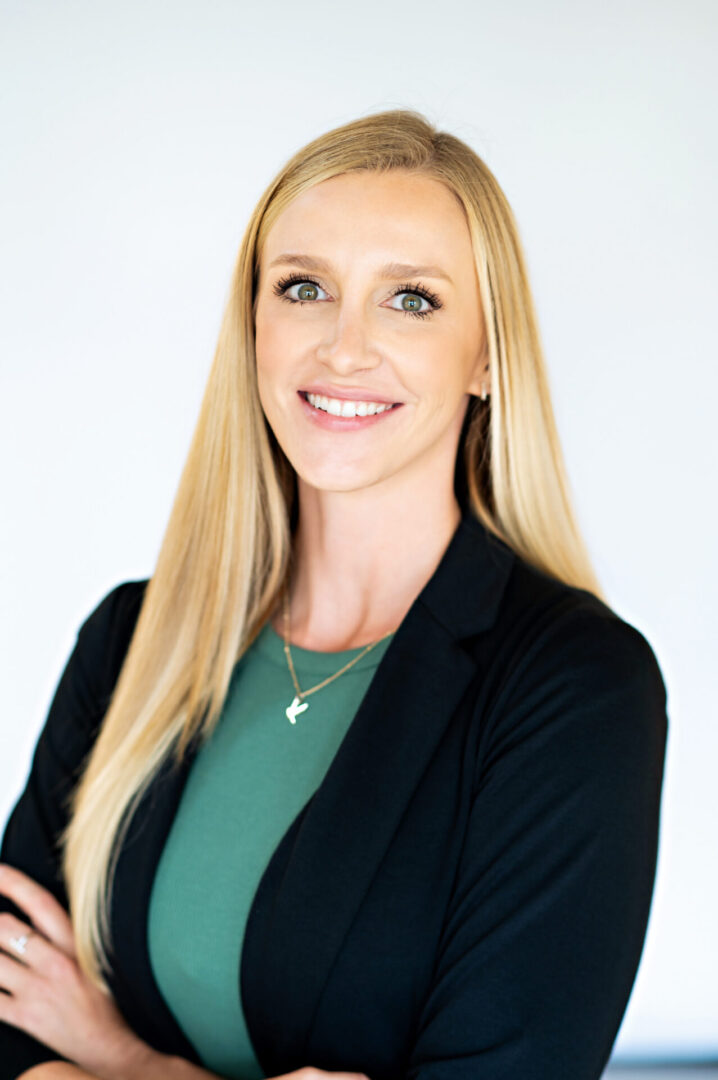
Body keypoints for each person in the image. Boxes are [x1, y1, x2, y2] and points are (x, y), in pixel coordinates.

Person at [0, 109, 668, 1080]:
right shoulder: (133, 640)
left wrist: (121, 1060)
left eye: (412, 300)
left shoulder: (572, 686)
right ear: (256, 328)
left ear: (486, 355)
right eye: (304, 288)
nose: (344, 347)